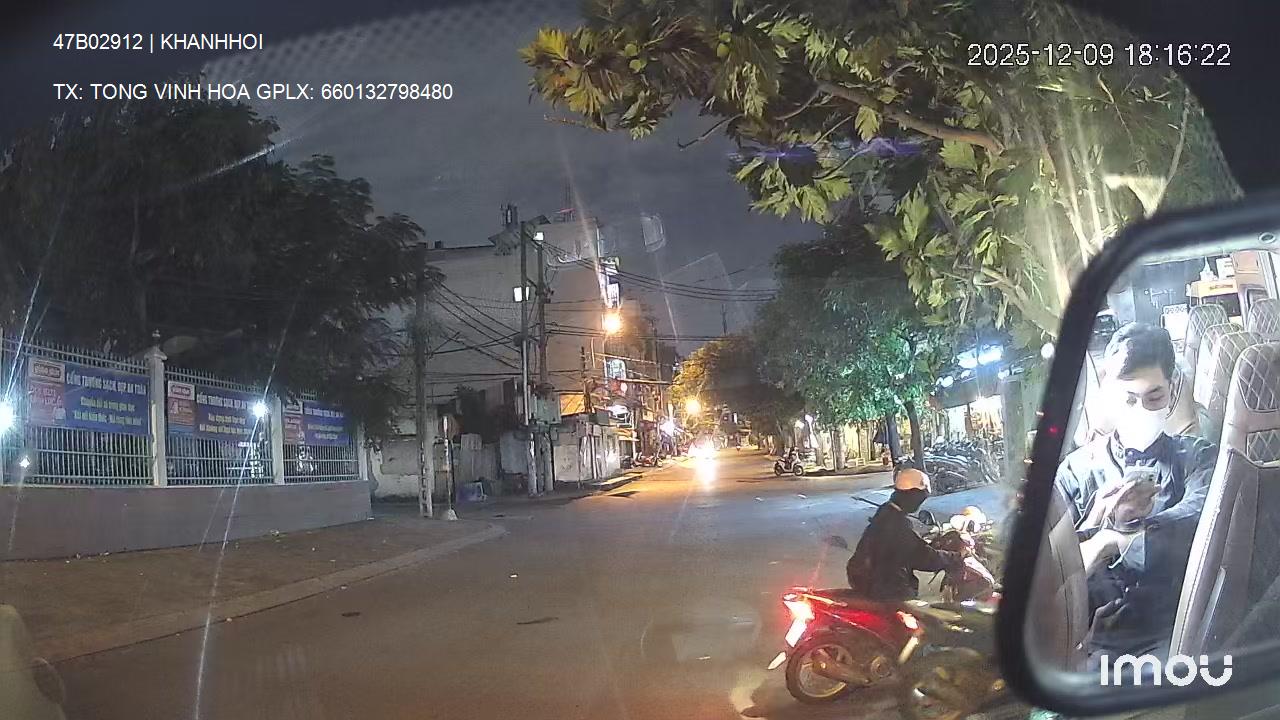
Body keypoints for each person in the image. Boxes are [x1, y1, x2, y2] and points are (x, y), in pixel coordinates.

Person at [1054, 322, 1216, 660]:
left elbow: (1203, 519)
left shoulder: (1198, 458)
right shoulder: (1075, 472)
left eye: (1154, 397)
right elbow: (1049, 568)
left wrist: (1118, 539)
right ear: (1110, 396)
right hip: (1092, 646)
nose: (1141, 410)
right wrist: (1095, 523)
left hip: (1178, 637)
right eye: (1128, 399)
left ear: (1172, 391)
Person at [846, 468, 966, 601]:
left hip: (869, 581)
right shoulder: (896, 523)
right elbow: (924, 558)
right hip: (887, 590)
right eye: (921, 498)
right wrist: (955, 557)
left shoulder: (887, 511)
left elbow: (908, 547)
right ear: (914, 496)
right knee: (925, 613)